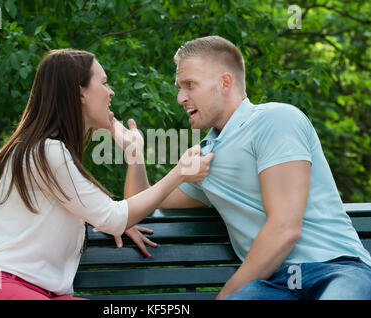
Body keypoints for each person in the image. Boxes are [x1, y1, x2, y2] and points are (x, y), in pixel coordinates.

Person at [122, 35, 371, 300]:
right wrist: (135, 154)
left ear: (224, 83)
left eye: (190, 85)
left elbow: (285, 229)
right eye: (179, 87)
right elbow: (139, 205)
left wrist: (223, 297)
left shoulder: (275, 120)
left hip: (336, 269)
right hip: (272, 285)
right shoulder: (203, 158)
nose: (180, 97)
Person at [0, 49, 214, 300]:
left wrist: (134, 156)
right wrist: (179, 173)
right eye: (103, 83)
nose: (111, 92)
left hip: (40, 292)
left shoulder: (49, 150)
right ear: (80, 93)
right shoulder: (46, 151)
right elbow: (114, 217)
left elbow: (109, 215)